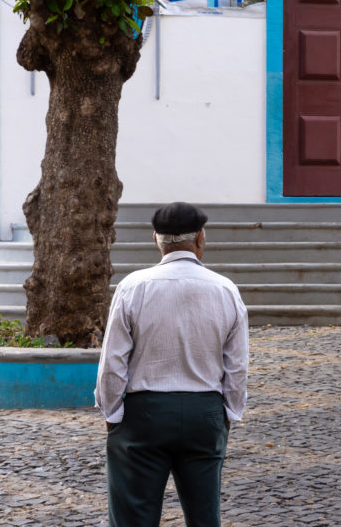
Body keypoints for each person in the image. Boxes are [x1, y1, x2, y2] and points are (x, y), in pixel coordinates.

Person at [94, 201, 249, 527]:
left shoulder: (133, 287)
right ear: (200, 238)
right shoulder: (226, 290)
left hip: (143, 415)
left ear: (156, 239)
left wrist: (112, 414)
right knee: (205, 516)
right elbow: (236, 367)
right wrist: (228, 414)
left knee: (133, 517)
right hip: (204, 413)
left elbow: (113, 361)